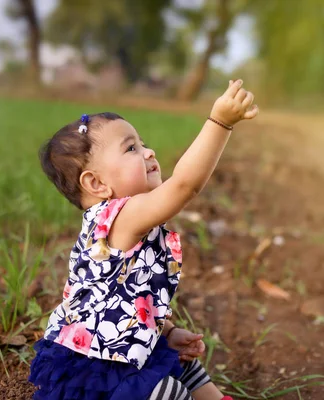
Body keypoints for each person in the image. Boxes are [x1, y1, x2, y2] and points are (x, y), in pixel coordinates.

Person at [29, 79, 259, 400]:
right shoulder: (120, 217)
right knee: (165, 390)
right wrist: (220, 122)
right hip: (98, 371)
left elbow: (120, 302)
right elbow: (184, 186)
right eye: (132, 148)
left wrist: (166, 332)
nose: (149, 151)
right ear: (96, 183)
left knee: (184, 367)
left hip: (117, 347)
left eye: (143, 142)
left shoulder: (114, 227)